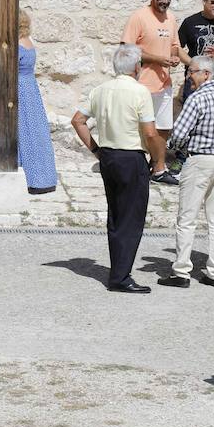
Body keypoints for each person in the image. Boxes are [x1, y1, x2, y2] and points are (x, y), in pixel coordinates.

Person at [71, 44, 158, 293]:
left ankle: (118, 270)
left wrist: (96, 150)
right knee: (131, 218)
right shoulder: (140, 92)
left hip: (108, 156)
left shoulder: (100, 90)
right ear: (136, 67)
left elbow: (78, 120)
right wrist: (157, 159)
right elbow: (150, 132)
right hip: (131, 156)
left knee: (117, 215)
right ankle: (120, 276)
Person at [157, 55, 214, 289]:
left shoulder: (197, 100)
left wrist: (176, 149)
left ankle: (181, 271)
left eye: (192, 71)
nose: (188, 76)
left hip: (200, 160)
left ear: (206, 73)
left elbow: (178, 135)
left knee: (187, 218)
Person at [120, 0, 193, 185]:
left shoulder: (171, 18)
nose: (165, 1)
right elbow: (127, 49)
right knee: (139, 129)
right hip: (141, 83)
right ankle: (136, 166)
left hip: (164, 83)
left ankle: (158, 169)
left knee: (163, 128)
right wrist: (159, 59)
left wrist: (182, 60)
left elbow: (174, 46)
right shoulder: (139, 17)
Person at [16, 11, 58, 194]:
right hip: (30, 87)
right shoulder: (28, 41)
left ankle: (29, 176)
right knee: (35, 131)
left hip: (20, 87)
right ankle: (43, 176)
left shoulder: (16, 44)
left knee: (22, 130)